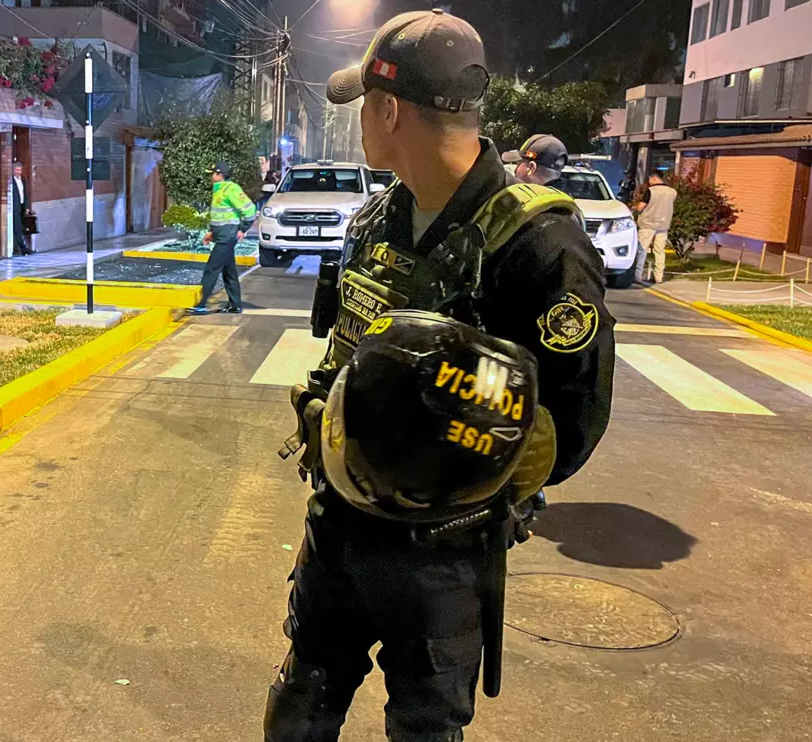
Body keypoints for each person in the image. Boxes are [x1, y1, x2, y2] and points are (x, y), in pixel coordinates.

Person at [265, 10, 615, 741]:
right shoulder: (373, 221)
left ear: (388, 109)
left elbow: (572, 424)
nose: (362, 117)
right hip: (338, 523)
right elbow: (341, 353)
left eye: (364, 104)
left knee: (424, 727)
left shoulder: (539, 244)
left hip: (444, 556)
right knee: (302, 696)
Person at [188, 160, 256, 315]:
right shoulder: (218, 188)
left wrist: (243, 229)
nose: (210, 176)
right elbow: (220, 215)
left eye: (212, 173)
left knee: (211, 269)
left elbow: (250, 209)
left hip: (227, 236)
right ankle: (235, 305)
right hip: (222, 235)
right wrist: (212, 233)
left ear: (220, 174)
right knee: (229, 271)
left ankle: (201, 303)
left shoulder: (230, 188)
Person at [634, 171, 677, 285]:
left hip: (648, 224)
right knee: (660, 251)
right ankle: (659, 276)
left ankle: (637, 275)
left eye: (649, 179)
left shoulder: (651, 191)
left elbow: (640, 207)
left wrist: (634, 207)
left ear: (654, 178)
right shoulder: (672, 192)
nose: (648, 182)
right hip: (663, 224)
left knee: (642, 249)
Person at [502, 133, 568, 186]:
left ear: (531, 168)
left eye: (519, 163)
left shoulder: (521, 200)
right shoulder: (566, 200)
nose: (515, 170)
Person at [11, 161, 34, 256]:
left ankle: (18, 247)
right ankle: (23, 248)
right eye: (16, 170)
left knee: (21, 227)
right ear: (13, 170)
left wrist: (26, 206)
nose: (18, 172)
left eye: (20, 170)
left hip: (21, 205)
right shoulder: (11, 181)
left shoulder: (22, 180)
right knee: (17, 227)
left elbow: (25, 194)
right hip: (14, 207)